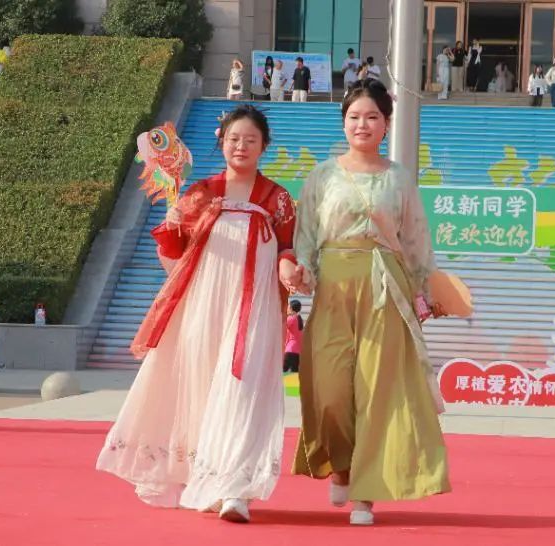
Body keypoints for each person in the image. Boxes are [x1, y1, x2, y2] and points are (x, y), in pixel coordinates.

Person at [97, 105, 299, 524]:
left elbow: (286, 247)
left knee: (242, 390)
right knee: (203, 388)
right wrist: (172, 226)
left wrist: (290, 270)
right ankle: (204, 478)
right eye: (234, 139)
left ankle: (235, 490)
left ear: (264, 146)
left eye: (251, 140)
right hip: (205, 308)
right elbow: (173, 258)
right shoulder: (200, 193)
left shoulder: (278, 199)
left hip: (255, 310)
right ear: (221, 142)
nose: (241, 146)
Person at [289, 79, 450, 526]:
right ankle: (341, 467)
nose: (363, 124)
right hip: (333, 285)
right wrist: (301, 271)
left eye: (372, 117)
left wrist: (426, 290)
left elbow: (415, 238)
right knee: (329, 389)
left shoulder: (398, 178)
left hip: (384, 286)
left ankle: (365, 492)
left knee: (378, 391)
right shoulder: (323, 176)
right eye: (354, 116)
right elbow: (305, 236)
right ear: (343, 122)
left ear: (386, 123)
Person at [283, 299, 303, 373]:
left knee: (282, 371)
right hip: (297, 351)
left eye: (288, 307)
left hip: (290, 350)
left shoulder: (291, 319)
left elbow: (281, 326)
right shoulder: (299, 318)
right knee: (294, 373)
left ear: (291, 308)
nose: (287, 309)